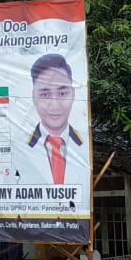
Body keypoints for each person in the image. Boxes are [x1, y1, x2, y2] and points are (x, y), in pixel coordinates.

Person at [13, 53, 90, 188]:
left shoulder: (87, 147)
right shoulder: (16, 150)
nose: (55, 105)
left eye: (62, 93)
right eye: (45, 94)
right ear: (33, 97)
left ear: (73, 94)